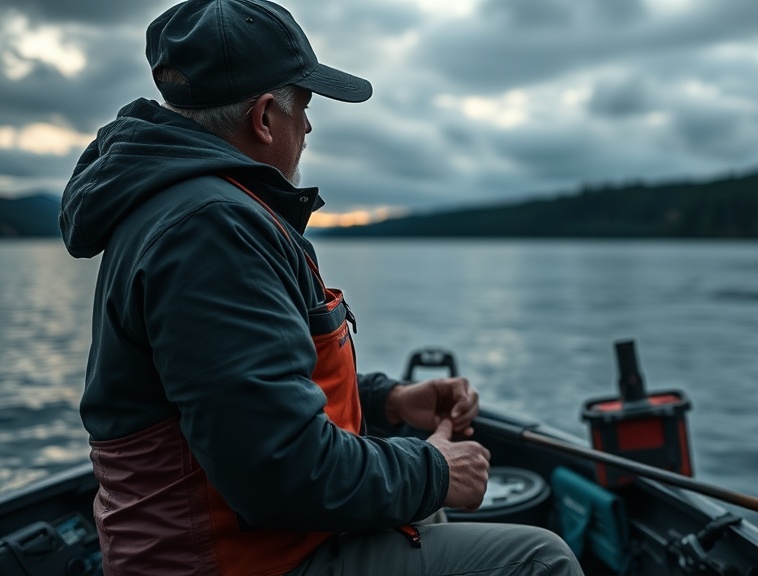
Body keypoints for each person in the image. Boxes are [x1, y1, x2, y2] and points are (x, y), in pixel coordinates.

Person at [59, 1, 583, 575]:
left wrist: (387, 399)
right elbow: (277, 467)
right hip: (229, 563)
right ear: (263, 118)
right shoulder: (209, 230)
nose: (307, 126)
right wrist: (436, 470)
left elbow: (238, 385)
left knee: (427, 516)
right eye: (303, 106)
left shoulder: (192, 210)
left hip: (257, 545)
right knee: (540, 559)